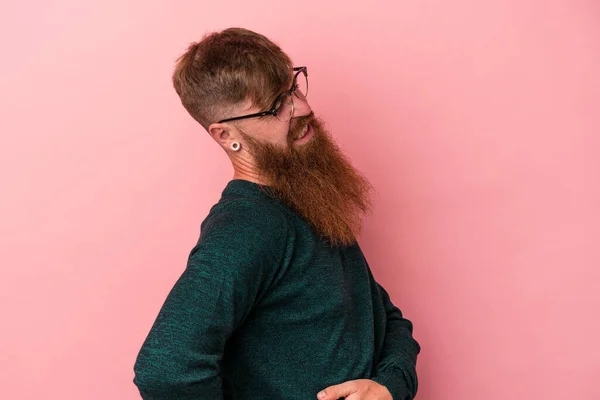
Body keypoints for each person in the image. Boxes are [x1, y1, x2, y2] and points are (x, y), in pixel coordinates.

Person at [133, 27, 420, 400]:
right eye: (276, 105)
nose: (302, 108)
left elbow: (383, 317)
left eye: (294, 88)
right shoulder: (246, 227)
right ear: (225, 135)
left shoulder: (310, 198)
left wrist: (388, 387)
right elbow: (164, 368)